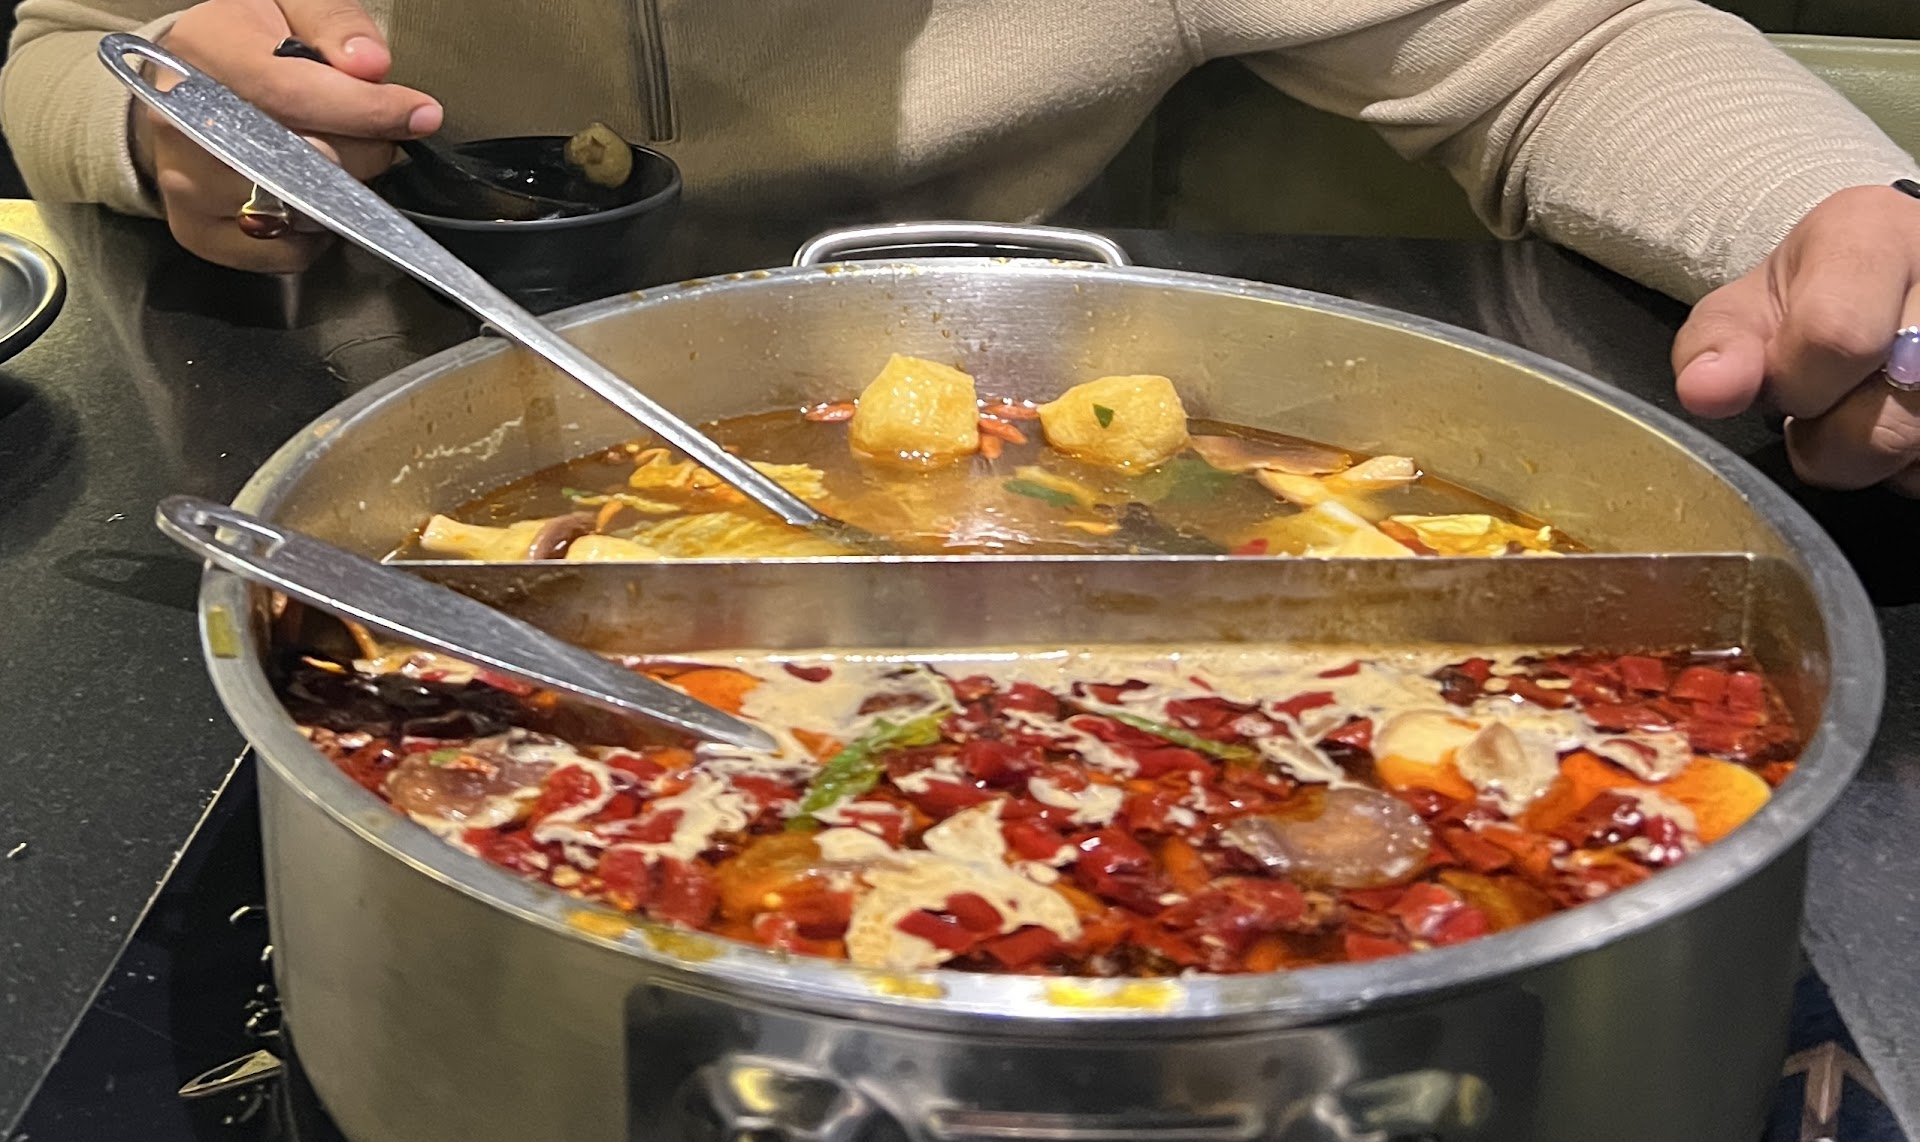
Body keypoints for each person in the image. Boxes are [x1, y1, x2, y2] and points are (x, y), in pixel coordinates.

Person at [4, 0, 1918, 494]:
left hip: (1009, 430)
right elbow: (64, 45)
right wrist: (155, 121)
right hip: (380, 407)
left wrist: (1848, 224)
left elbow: (1566, 45)